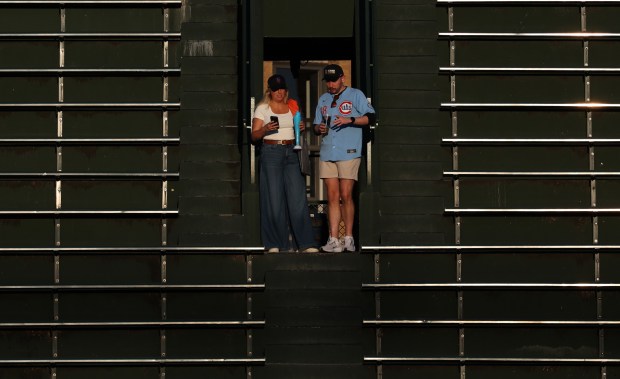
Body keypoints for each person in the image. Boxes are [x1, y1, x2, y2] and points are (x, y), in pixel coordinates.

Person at [251, 74, 319, 253]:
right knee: (274, 199)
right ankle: (275, 244)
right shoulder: (262, 109)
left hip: (292, 152)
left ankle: (305, 244)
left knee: (298, 199)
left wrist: (302, 127)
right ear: (270, 91)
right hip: (272, 152)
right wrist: (265, 129)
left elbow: (297, 126)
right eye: (275, 89)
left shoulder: (292, 106)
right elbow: (254, 135)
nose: (279, 92)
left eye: (282, 89)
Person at [313, 64, 376, 252]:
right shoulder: (323, 99)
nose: (331, 85)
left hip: (348, 151)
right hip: (327, 151)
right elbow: (316, 125)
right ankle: (333, 239)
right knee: (332, 196)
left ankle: (348, 237)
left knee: (345, 194)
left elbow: (371, 117)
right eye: (328, 81)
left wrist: (351, 120)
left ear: (342, 78)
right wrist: (319, 129)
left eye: (334, 80)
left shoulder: (356, 94)